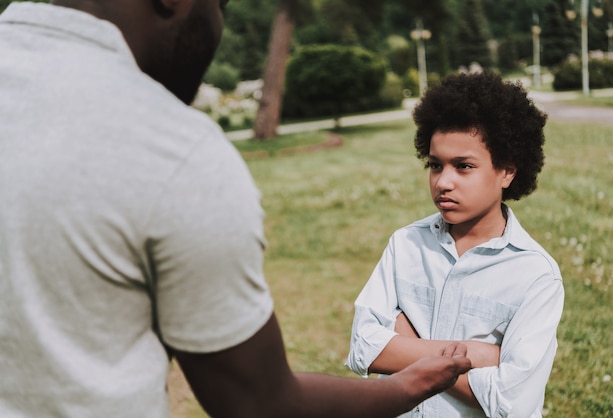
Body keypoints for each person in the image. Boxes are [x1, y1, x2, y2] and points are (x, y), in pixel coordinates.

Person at [0, 1, 471, 417]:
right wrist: (409, 385)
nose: (219, 24)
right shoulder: (171, 150)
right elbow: (260, 403)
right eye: (220, 4)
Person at [346, 72, 565, 417]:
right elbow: (363, 348)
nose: (443, 182)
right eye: (435, 165)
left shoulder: (535, 274)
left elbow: (512, 401)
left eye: (463, 167)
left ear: (506, 171)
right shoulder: (406, 245)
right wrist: (475, 357)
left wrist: (406, 348)